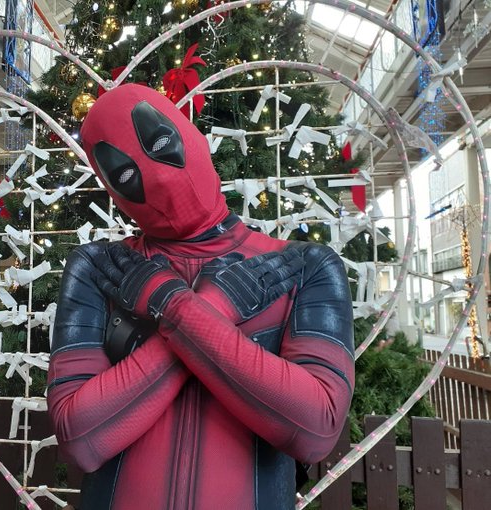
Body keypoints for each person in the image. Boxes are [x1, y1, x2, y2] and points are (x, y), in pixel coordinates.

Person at [46, 84, 354, 509]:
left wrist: (173, 307)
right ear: (112, 191)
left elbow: (316, 429)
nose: (158, 176)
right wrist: (201, 309)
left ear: (190, 134)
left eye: (160, 143)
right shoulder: (100, 267)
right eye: (126, 176)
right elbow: (80, 438)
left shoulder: (304, 266)